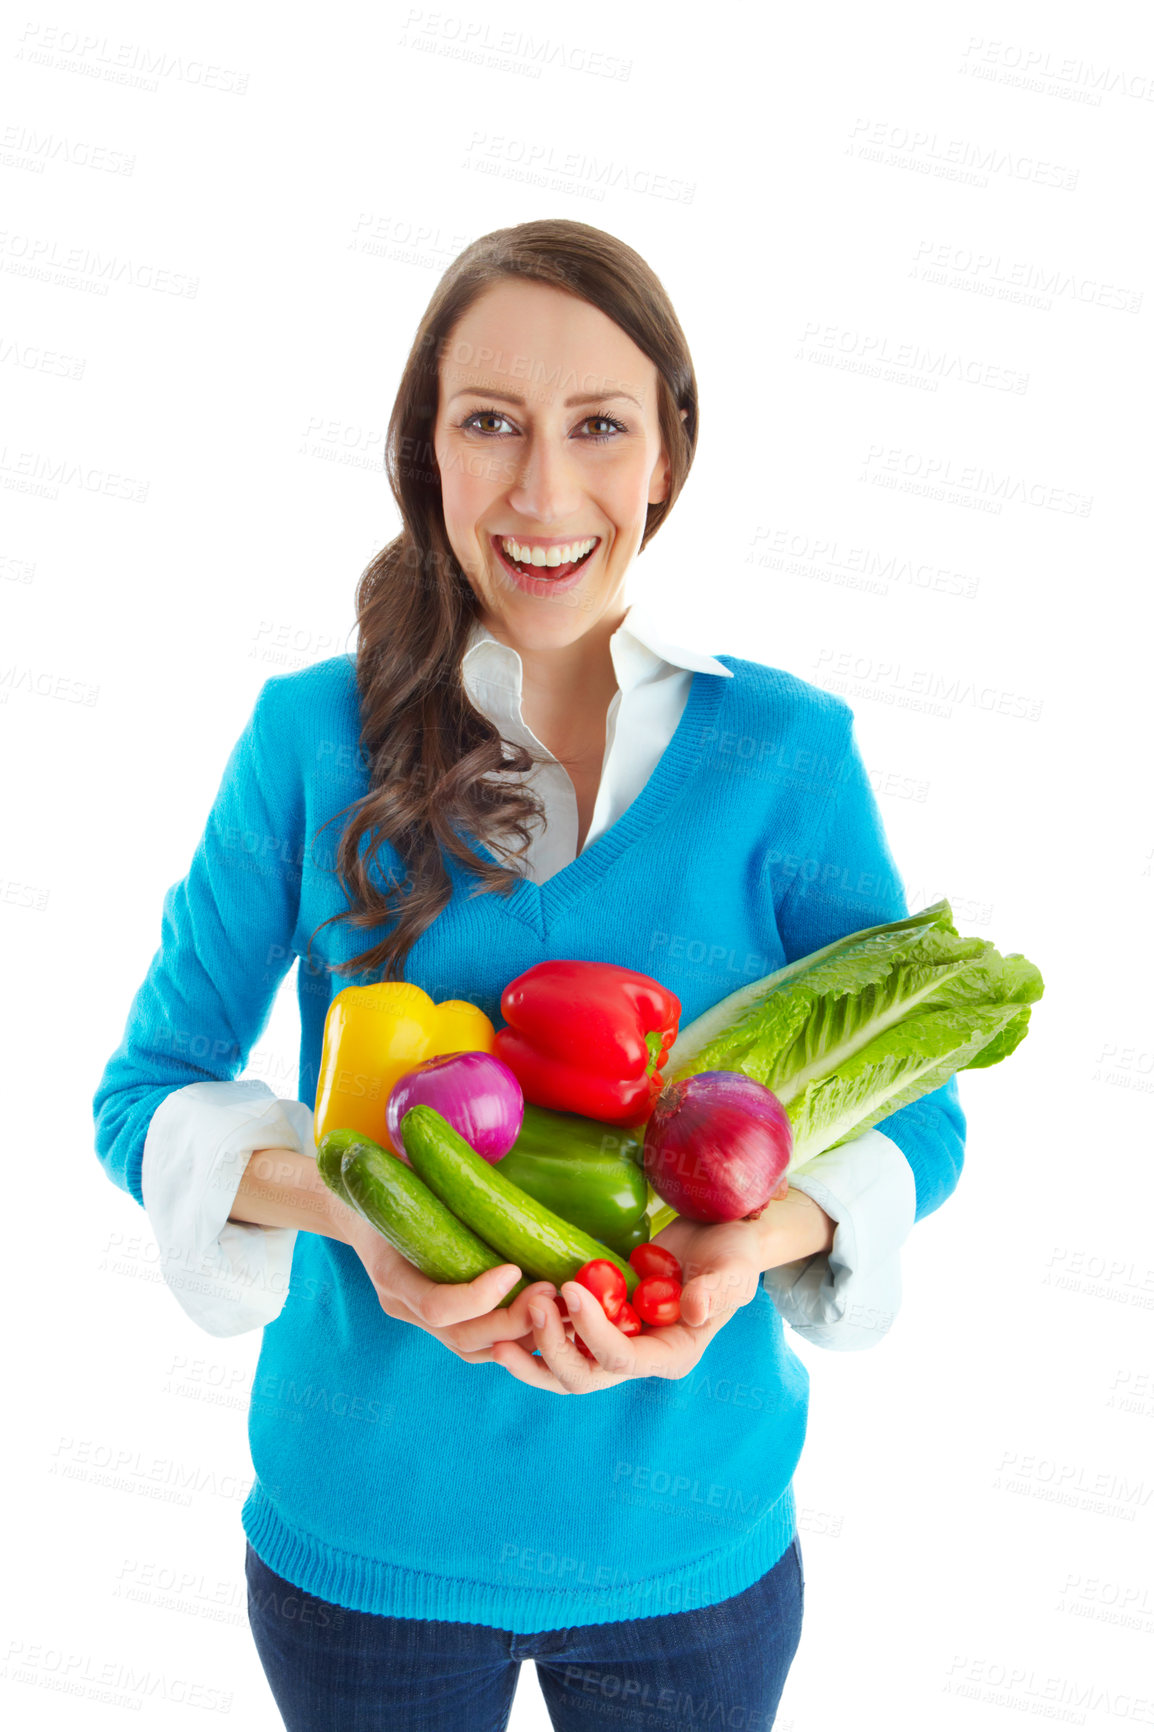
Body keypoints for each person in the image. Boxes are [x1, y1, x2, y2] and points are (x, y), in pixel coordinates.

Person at [93, 218, 965, 1731]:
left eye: (598, 427)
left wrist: (746, 1249)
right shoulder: (310, 738)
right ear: (422, 450)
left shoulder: (788, 755)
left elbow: (921, 1114)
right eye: (489, 423)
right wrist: (368, 1219)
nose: (543, 492)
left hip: (686, 1548)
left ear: (665, 459)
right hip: (366, 1542)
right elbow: (146, 1095)